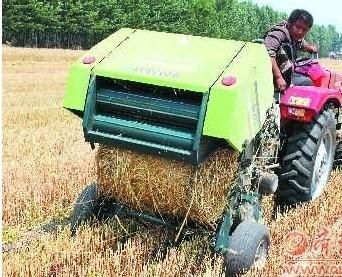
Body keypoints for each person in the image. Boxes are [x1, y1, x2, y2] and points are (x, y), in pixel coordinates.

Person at [263, 9, 318, 92]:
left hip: (284, 73)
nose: (300, 32)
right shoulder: (280, 33)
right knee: (307, 83)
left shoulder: (294, 36)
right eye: (298, 27)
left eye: (304, 30)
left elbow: (302, 45)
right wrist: (278, 77)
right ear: (289, 22)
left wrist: (310, 48)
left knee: (308, 77)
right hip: (271, 76)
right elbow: (267, 53)